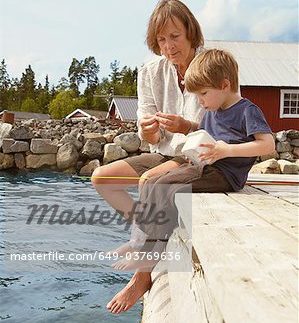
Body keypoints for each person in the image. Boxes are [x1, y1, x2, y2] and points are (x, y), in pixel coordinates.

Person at [111, 48, 275, 271]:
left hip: (225, 174)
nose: (200, 101)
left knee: (164, 188)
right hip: (203, 166)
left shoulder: (247, 110)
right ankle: (137, 243)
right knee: (151, 182)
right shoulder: (213, 110)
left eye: (203, 94)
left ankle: (150, 253)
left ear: (225, 85)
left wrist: (226, 150)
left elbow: (267, 144)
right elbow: (204, 135)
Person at [91, 0, 206, 314]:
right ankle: (153, 232)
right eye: (161, 40)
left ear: (190, 33)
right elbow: (152, 139)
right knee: (102, 179)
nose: (169, 46)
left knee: (148, 181)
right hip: (164, 153)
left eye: (175, 37)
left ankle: (142, 275)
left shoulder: (210, 65)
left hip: (199, 155)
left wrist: (186, 125)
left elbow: (220, 124)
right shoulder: (150, 70)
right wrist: (150, 129)